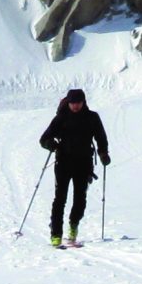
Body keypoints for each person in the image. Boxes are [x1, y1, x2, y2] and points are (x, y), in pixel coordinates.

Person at [39, 89, 109, 247]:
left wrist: (103, 153)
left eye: (78, 103)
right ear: (68, 102)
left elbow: (101, 138)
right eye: (72, 103)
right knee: (60, 199)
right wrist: (51, 144)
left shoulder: (92, 118)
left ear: (83, 102)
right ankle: (56, 234)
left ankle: (73, 226)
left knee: (80, 199)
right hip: (63, 162)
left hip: (84, 163)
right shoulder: (61, 118)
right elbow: (44, 139)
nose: (75, 106)